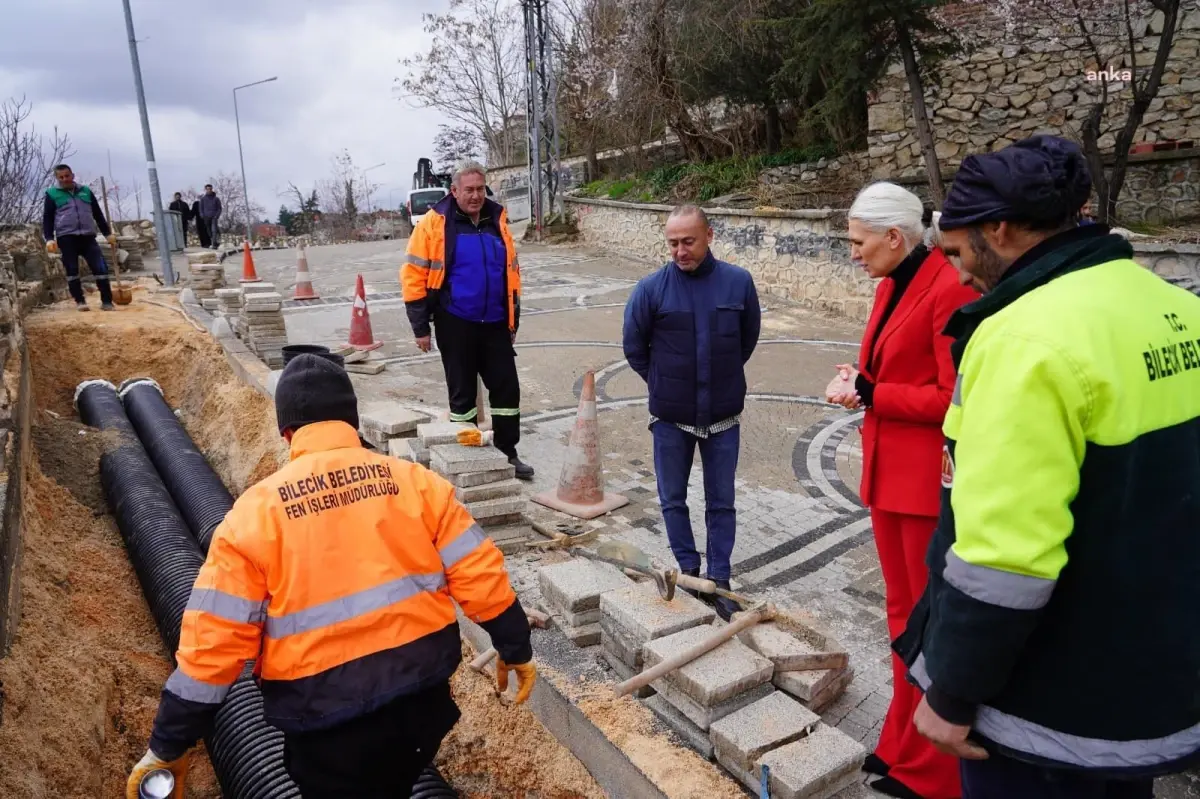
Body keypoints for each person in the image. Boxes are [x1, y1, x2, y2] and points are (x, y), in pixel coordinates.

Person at [895, 135, 1200, 798]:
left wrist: (950, 694)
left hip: (1048, 704)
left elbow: (1006, 556)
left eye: (957, 252)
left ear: (997, 230)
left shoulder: (1023, 339)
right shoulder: (1179, 309)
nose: (958, 276)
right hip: (1147, 684)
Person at [126, 354, 537, 798]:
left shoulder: (253, 517)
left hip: (324, 725)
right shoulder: (418, 484)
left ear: (287, 432)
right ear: (351, 419)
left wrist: (170, 742)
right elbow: (481, 576)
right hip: (421, 704)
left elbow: (214, 645)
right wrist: (514, 645)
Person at [824, 182, 977, 799]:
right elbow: (884, 367)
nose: (853, 253)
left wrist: (869, 392)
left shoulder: (948, 288)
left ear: (895, 237)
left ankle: (936, 771)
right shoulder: (892, 283)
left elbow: (953, 398)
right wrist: (862, 379)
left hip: (923, 485)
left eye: (859, 242)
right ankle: (900, 741)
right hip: (888, 477)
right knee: (898, 618)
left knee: (927, 625)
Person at [622, 204, 761, 621]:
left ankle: (719, 581)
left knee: (722, 502)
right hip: (670, 418)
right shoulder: (651, 289)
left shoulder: (738, 283)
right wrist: (665, 382)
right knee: (672, 499)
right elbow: (634, 347)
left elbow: (747, 341)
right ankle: (688, 571)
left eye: (688, 242)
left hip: (722, 416)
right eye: (673, 243)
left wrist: (717, 381)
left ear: (709, 236)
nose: (680, 251)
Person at [401, 161, 533, 480]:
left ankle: (507, 452)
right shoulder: (435, 224)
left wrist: (512, 322)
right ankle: (470, 455)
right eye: (468, 190)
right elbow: (414, 276)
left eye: (479, 189)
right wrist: (421, 327)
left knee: (506, 390)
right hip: (455, 321)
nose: (475, 196)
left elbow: (510, 274)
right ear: (455, 191)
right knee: (462, 397)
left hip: (496, 322)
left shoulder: (496, 219)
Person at [41, 164, 116, 311]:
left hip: (88, 236)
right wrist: (49, 238)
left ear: (72, 175)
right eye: (61, 177)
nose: (64, 179)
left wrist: (107, 234)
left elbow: (98, 214)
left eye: (67, 176)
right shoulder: (52, 194)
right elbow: (48, 218)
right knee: (72, 270)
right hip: (66, 237)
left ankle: (107, 301)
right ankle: (80, 301)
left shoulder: (85, 191)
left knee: (100, 268)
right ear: (57, 178)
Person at [198, 183, 222, 249]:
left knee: (214, 230)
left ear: (212, 189)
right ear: (205, 190)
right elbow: (201, 208)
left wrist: (217, 215)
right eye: (207, 189)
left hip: (214, 217)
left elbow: (219, 208)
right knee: (209, 231)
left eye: (210, 189)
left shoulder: (216, 199)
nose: (209, 190)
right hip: (206, 217)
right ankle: (213, 241)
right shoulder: (203, 199)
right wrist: (202, 215)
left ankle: (214, 244)